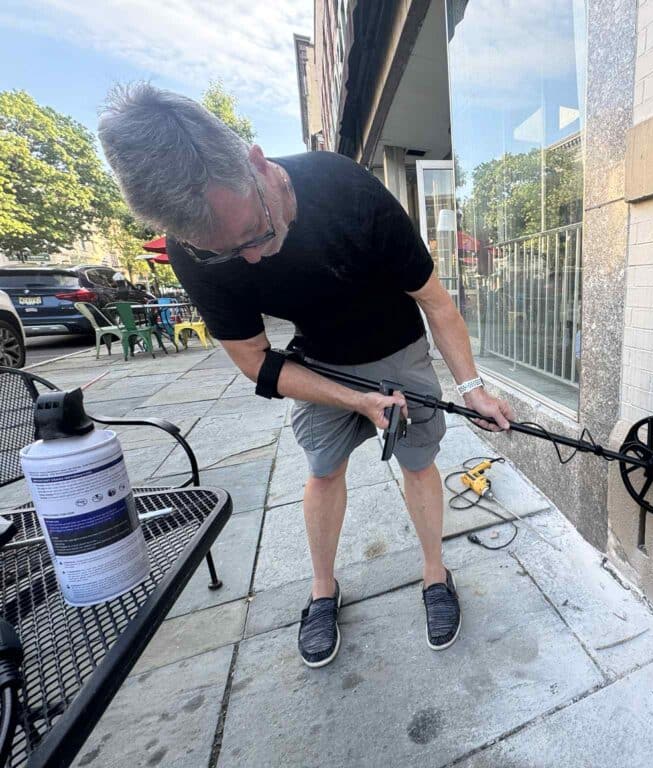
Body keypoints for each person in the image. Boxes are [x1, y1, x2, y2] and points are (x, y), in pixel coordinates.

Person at [98, 84, 514, 668]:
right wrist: (356, 399)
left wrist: (473, 388)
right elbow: (254, 361)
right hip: (317, 363)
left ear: (259, 167)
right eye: (222, 252)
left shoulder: (344, 187)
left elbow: (436, 301)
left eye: (257, 235)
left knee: (419, 462)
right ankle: (323, 590)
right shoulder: (193, 247)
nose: (251, 260)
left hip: (397, 344)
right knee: (322, 471)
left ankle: (434, 574)